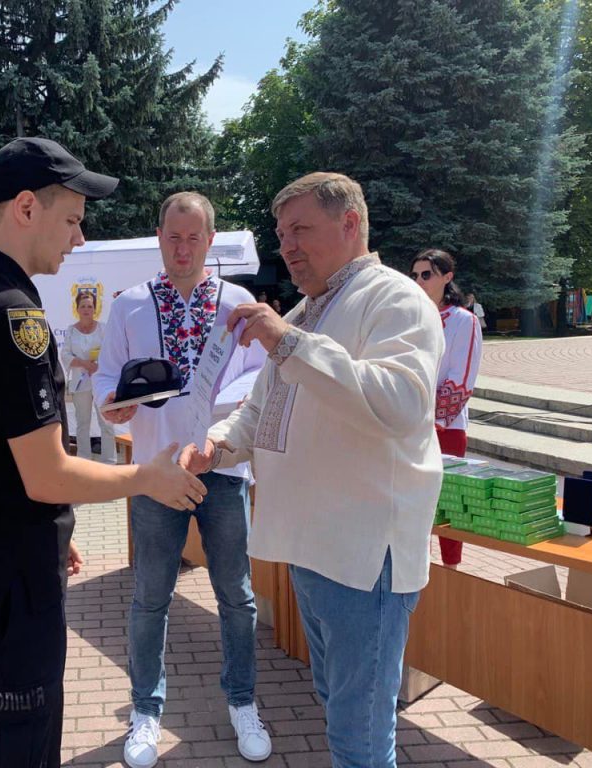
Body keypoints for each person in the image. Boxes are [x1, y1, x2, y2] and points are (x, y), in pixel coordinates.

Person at [0, 136, 207, 768]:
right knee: (16, 746)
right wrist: (146, 478)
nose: (79, 240)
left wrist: (48, 528)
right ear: (27, 207)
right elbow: (47, 473)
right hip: (9, 581)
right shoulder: (10, 312)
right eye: (73, 220)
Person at [183, 172, 444, 767]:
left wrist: (288, 343)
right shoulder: (308, 310)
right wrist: (216, 447)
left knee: (359, 735)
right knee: (339, 710)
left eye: (300, 229)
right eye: (281, 234)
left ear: (350, 223)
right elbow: (261, 411)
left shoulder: (395, 298)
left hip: (362, 557)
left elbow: (401, 404)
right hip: (314, 550)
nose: (287, 247)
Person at [93, 192, 270, 767]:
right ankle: (145, 711)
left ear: (210, 240)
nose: (184, 248)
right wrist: (114, 405)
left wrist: (215, 424)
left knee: (236, 596)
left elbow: (258, 379)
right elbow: (106, 379)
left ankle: (242, 701)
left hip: (223, 468)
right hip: (157, 471)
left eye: (194, 238)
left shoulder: (239, 305)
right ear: (160, 237)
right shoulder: (130, 305)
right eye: (174, 237)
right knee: (150, 597)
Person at [410, 250, 482, 568]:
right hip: (410, 424)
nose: (419, 280)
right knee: (415, 503)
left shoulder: (463, 321)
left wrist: (435, 419)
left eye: (427, 274)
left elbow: (462, 379)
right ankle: (418, 569)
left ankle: (452, 569)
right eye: (415, 275)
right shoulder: (411, 318)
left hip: (446, 426)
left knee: (449, 501)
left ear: (447, 277)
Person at [61, 292, 116, 463]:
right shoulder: (71, 330)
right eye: (83, 306)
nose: (86, 309)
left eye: (90, 306)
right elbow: (65, 355)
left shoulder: (104, 329)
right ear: (77, 309)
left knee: (107, 422)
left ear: (95, 309)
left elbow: (112, 352)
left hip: (101, 382)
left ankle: (109, 461)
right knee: (82, 423)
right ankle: (83, 460)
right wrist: (85, 364)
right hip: (80, 383)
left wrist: (98, 365)